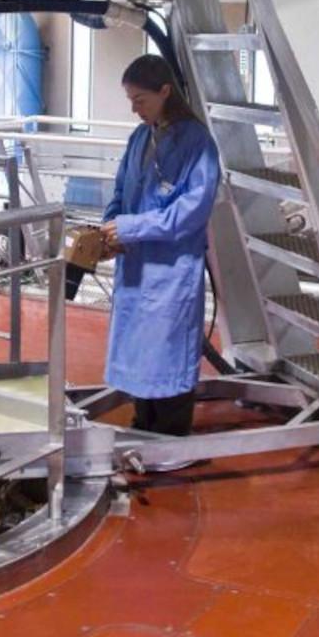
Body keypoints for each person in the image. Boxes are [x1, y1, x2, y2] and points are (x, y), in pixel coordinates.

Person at [99, 54, 222, 439]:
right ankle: (143, 428)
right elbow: (122, 189)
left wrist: (132, 227)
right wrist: (109, 229)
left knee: (166, 353)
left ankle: (170, 437)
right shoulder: (140, 138)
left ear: (165, 91)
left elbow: (190, 212)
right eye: (131, 101)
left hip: (171, 272)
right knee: (140, 352)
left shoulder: (197, 143)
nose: (135, 109)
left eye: (140, 100)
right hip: (136, 268)